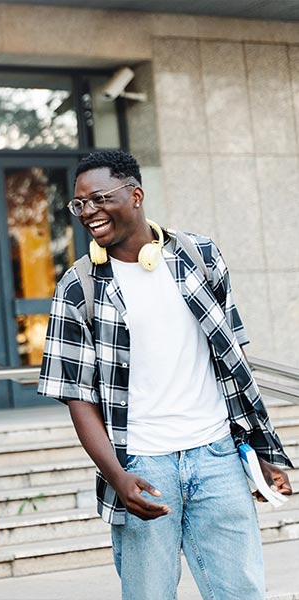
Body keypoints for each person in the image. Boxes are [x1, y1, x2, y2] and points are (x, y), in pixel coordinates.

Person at [38, 149, 293, 599]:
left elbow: (235, 359)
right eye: (80, 204)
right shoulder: (78, 287)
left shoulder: (201, 255)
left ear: (135, 195)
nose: (88, 212)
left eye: (99, 199)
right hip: (142, 464)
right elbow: (78, 399)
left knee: (242, 593)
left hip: (217, 458)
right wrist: (117, 475)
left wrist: (261, 447)